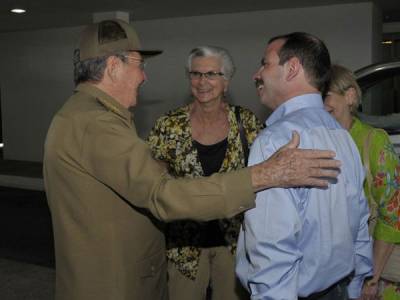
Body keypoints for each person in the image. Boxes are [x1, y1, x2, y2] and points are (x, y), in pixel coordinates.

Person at [43, 20, 341, 300]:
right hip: (113, 284)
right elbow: (162, 194)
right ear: (112, 67)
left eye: (211, 74)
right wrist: (263, 175)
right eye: (139, 65)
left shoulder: (82, 115)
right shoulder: (97, 123)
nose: (144, 76)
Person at [235, 32, 373, 300]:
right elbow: (359, 227)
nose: (257, 74)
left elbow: (272, 248)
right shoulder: (342, 135)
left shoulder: (276, 140)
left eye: (265, 64)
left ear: (293, 68)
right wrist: (353, 290)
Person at [147, 45, 262, 300]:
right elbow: (153, 183)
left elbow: (262, 176)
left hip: (233, 241)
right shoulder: (169, 125)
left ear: (226, 80)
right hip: (183, 243)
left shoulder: (247, 122)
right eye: (195, 74)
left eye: (211, 74)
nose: (202, 82)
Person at [325, 64, 400, 300]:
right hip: (332, 271)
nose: (320, 105)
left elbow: (393, 213)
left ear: (349, 96)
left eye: (326, 96)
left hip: (374, 272)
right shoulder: (319, 141)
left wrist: (372, 276)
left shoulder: (373, 141)